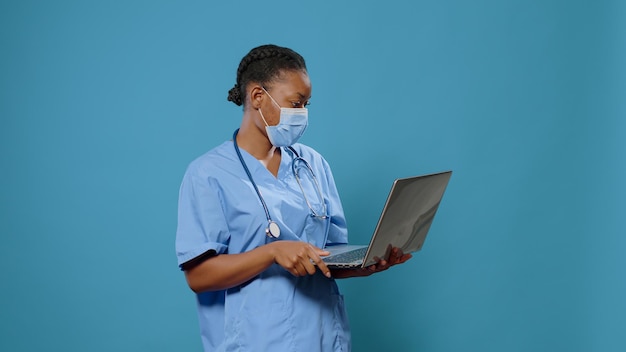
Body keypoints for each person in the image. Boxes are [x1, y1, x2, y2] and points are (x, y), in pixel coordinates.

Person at [175, 44, 412, 351]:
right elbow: (198, 276)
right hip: (257, 339)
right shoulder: (208, 174)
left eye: (306, 104)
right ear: (258, 97)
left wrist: (364, 264)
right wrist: (271, 253)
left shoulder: (312, 164)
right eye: (296, 104)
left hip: (324, 335)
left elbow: (328, 254)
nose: (302, 114)